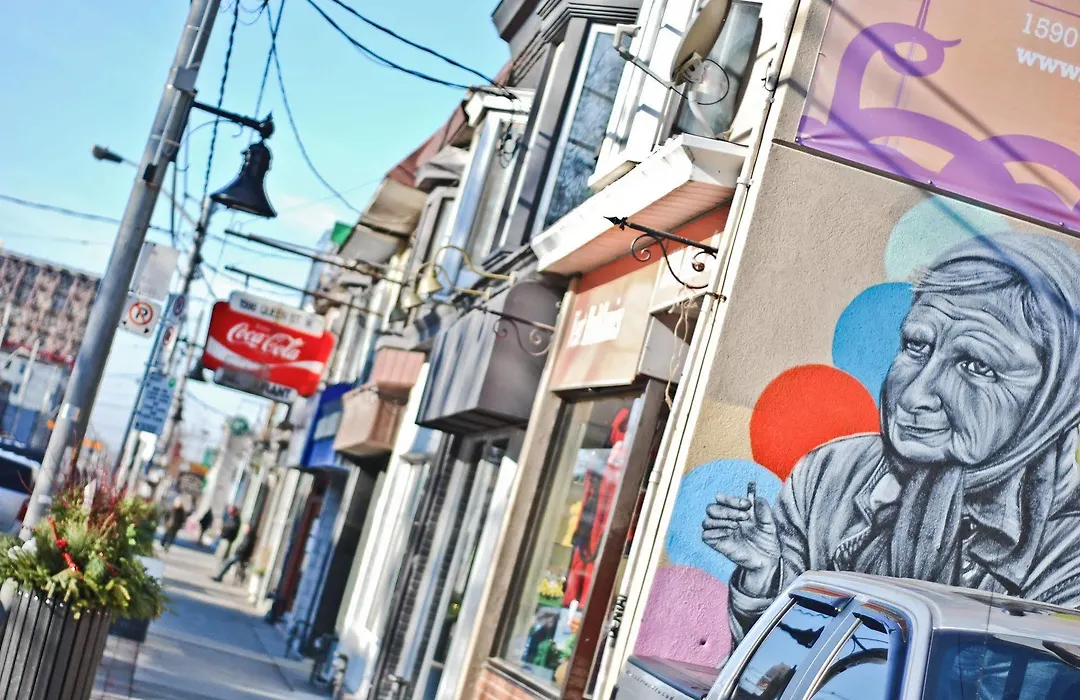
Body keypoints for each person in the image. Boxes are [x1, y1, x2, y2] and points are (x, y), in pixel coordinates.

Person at [702, 233, 1080, 642]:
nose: (915, 395)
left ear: (1053, 398)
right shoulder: (830, 475)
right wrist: (764, 576)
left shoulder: (1067, 553)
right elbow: (778, 659)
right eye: (916, 345)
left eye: (976, 366)